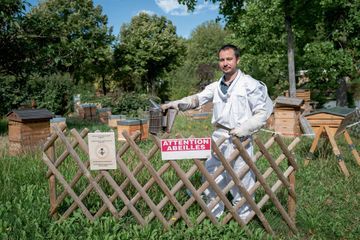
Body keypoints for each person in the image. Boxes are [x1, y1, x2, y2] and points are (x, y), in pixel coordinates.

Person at [161, 44, 273, 219]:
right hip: (219, 137)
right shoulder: (215, 86)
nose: (225, 63)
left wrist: (243, 129)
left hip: (241, 138)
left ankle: (244, 218)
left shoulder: (249, 84)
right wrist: (174, 104)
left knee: (241, 177)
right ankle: (214, 214)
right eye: (222, 60)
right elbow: (196, 99)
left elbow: (261, 113)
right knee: (212, 175)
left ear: (237, 60)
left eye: (229, 59)